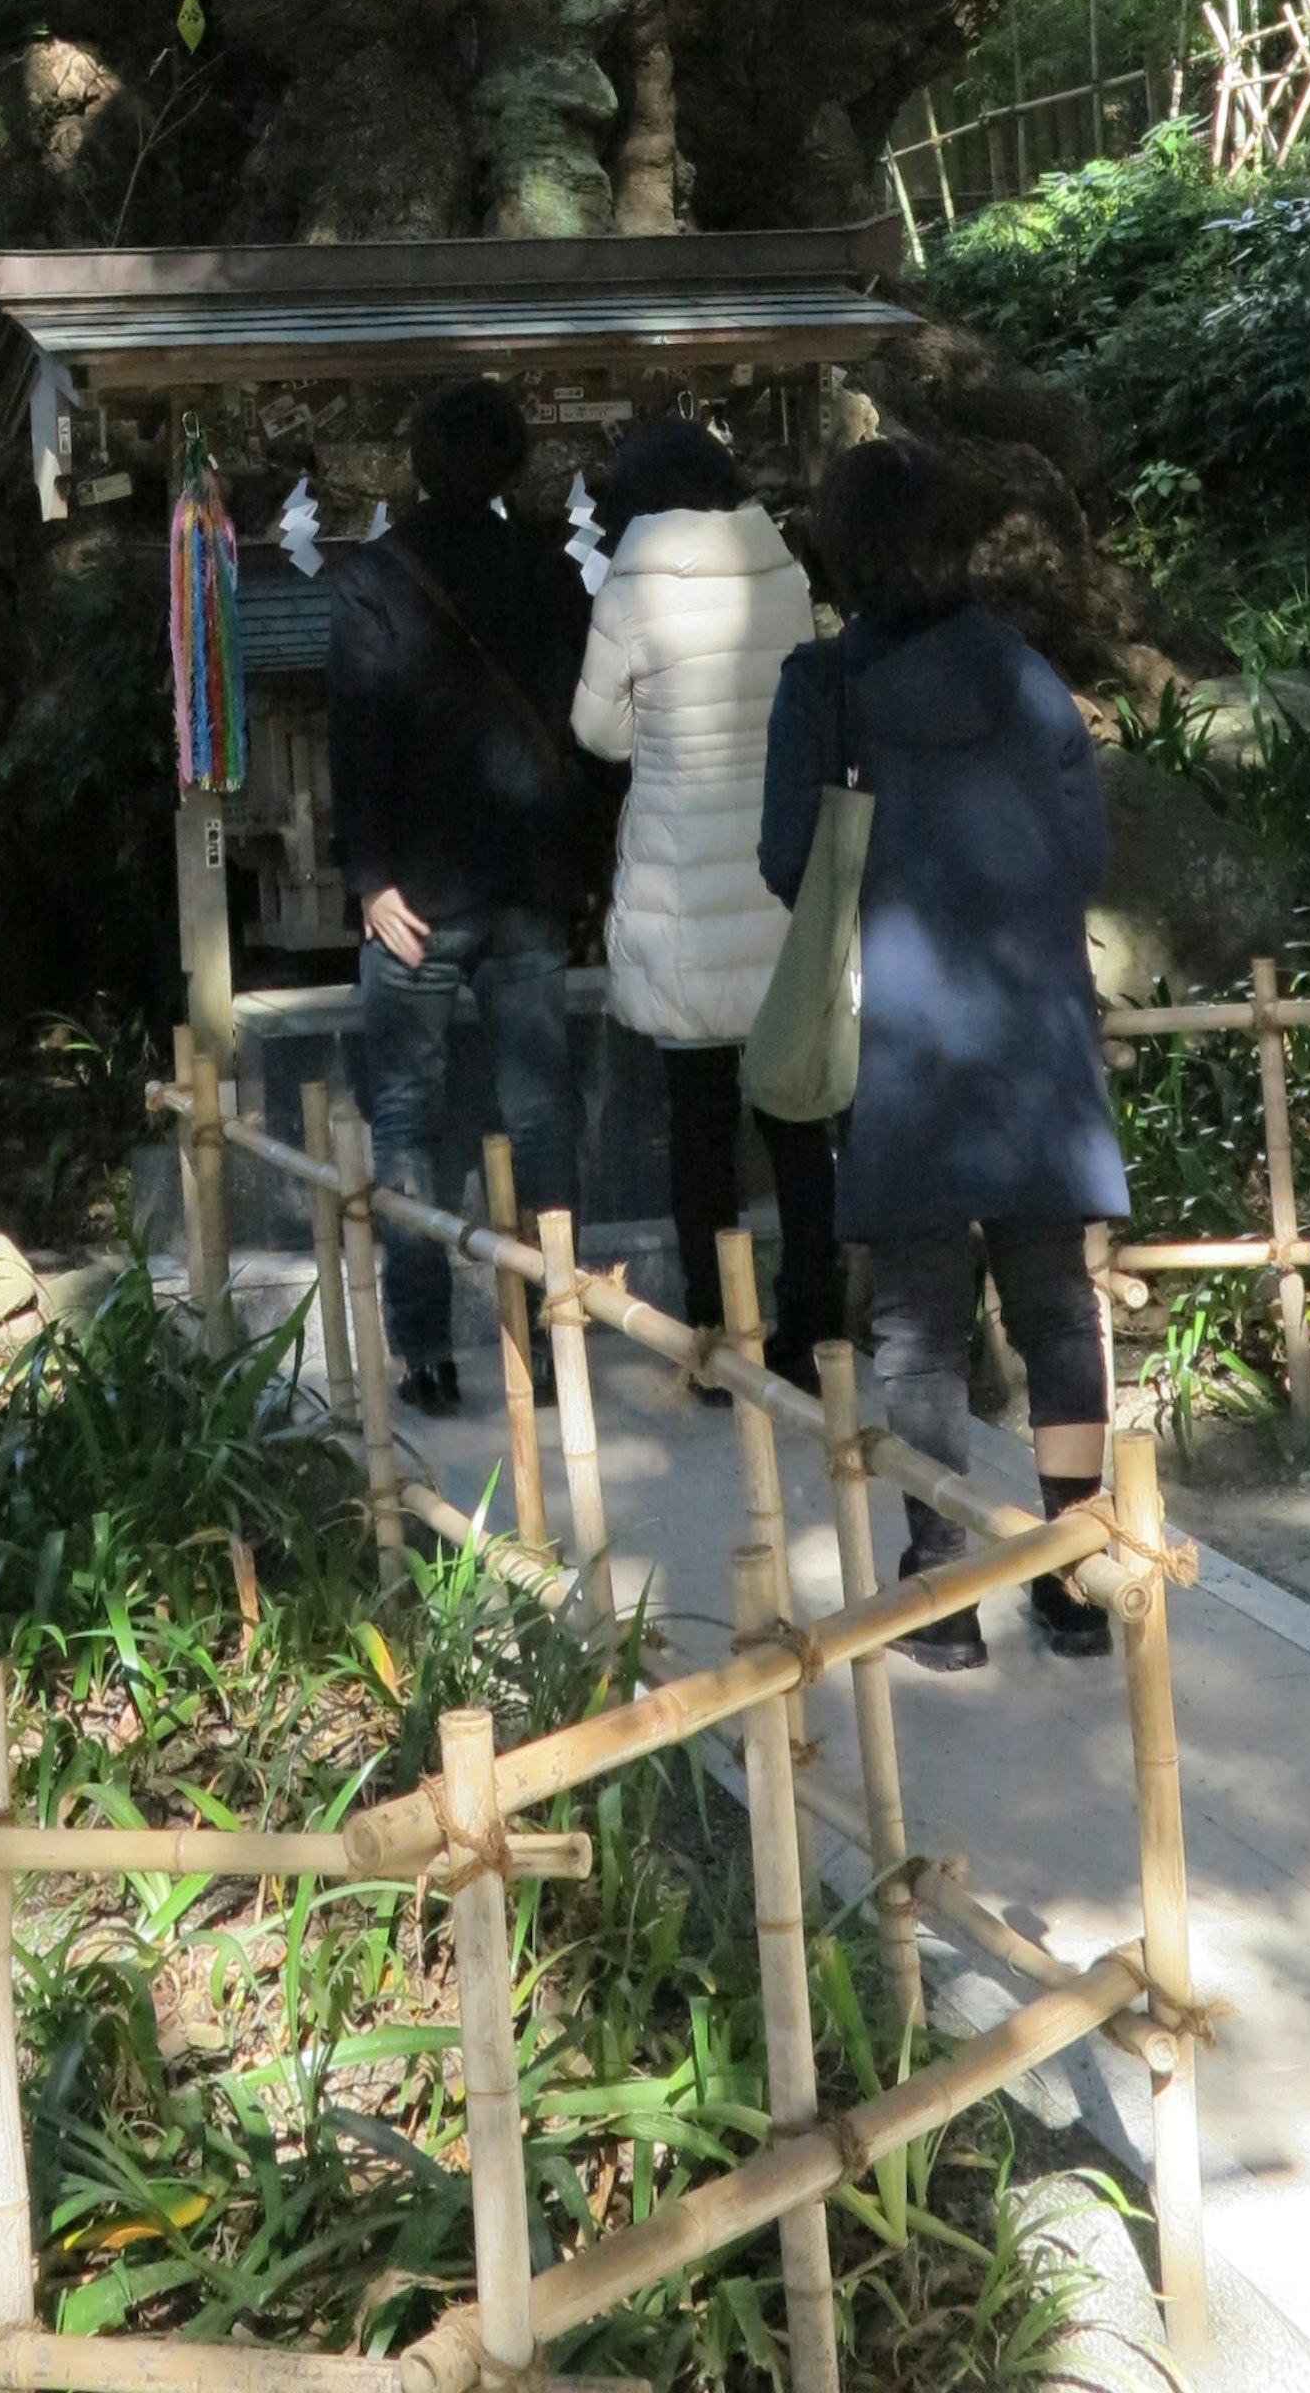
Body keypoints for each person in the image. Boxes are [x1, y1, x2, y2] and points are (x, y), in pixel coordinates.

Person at [758, 431, 1130, 1671]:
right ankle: (1078, 1574)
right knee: (1057, 1305)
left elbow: (785, 862)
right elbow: (1083, 853)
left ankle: (945, 1586)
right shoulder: (1027, 676)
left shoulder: (823, 688)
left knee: (920, 1326)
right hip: (1033, 1032)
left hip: (901, 1037)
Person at [327, 374, 593, 1411]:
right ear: (514, 461)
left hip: (416, 891)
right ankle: (552, 1318)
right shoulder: (551, 572)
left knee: (406, 1113)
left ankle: (426, 1350)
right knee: (540, 1107)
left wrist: (367, 873)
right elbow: (581, 729)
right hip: (526, 875)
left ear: (418, 465)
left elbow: (357, 731)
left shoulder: (371, 579)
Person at [571, 411, 838, 1392]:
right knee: (797, 1125)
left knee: (697, 1129)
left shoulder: (630, 583)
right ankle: (815, 1330)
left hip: (683, 891)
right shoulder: (782, 570)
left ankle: (720, 1336)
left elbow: (597, 731)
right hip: (776, 884)